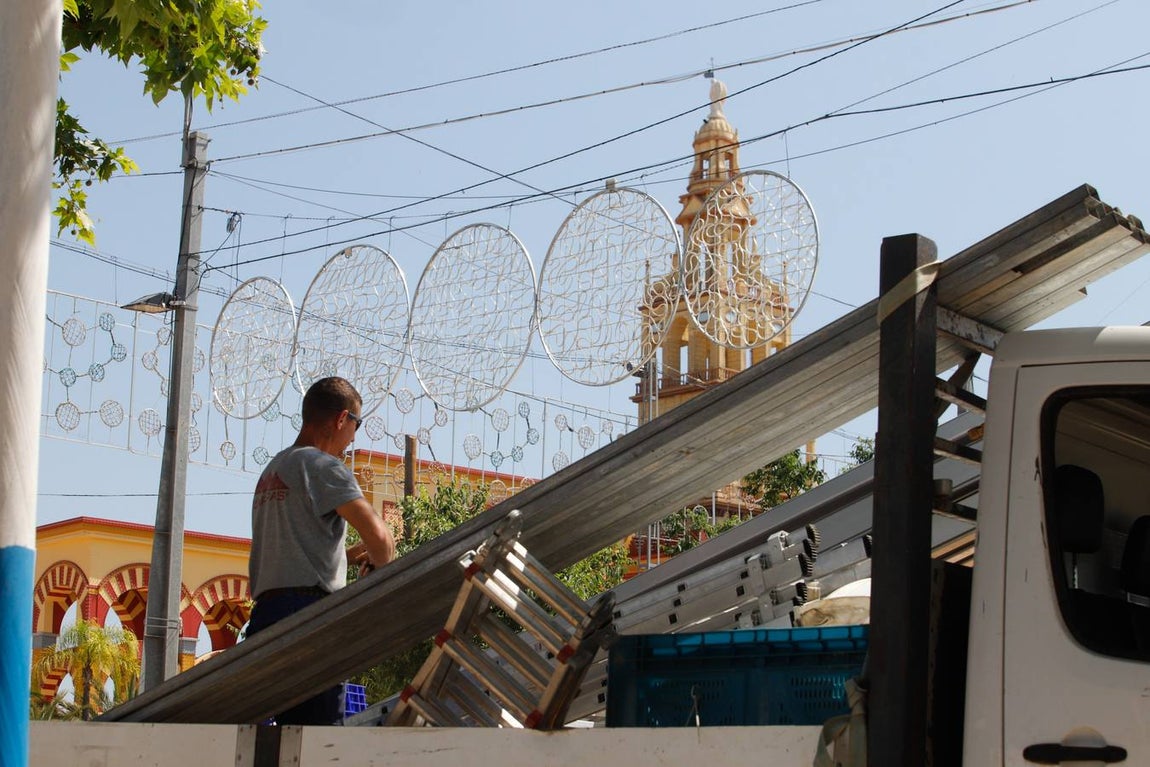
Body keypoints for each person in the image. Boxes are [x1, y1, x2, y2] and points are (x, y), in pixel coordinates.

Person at [246, 376, 396, 725]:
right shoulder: (324, 467)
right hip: (310, 616)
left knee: (274, 737)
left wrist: (350, 555)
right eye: (356, 426)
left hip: (266, 617)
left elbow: (298, 543)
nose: (353, 440)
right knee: (316, 738)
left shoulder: (274, 469)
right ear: (342, 419)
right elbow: (381, 540)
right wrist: (379, 564)